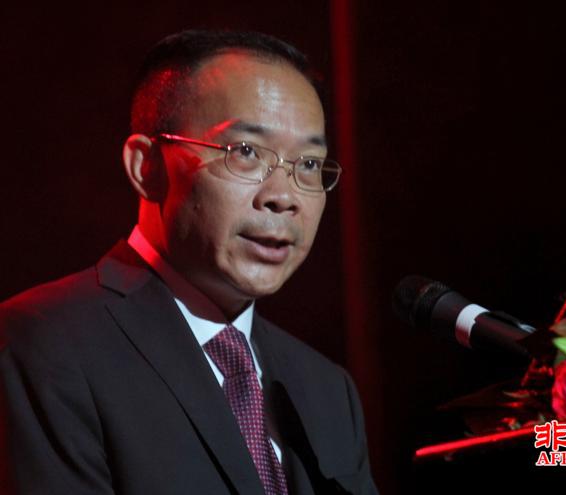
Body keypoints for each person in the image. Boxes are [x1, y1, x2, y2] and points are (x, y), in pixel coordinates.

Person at [0, 29, 378, 495]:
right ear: (146, 167)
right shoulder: (45, 344)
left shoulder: (327, 390)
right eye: (245, 152)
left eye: (309, 164)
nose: (283, 197)